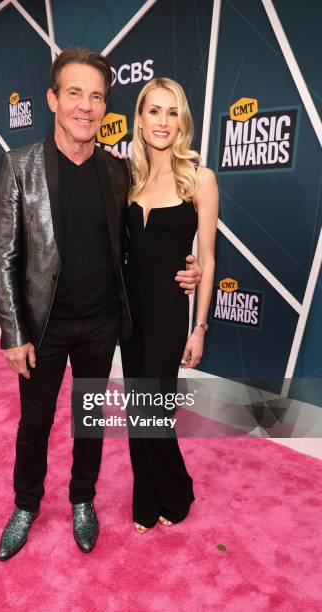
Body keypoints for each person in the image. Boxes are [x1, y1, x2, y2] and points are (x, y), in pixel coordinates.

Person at [0, 48, 202, 559]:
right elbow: (3, 254)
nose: (86, 106)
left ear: (106, 106)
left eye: (97, 96)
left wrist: (187, 263)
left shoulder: (117, 171)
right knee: (35, 422)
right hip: (43, 329)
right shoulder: (21, 166)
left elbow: (143, 238)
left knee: (89, 419)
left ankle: (82, 500)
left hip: (103, 323)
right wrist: (13, 333)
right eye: (75, 93)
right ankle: (25, 505)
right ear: (53, 99)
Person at [119, 78, 218, 533]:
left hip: (167, 312)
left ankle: (176, 491)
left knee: (152, 409)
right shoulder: (128, 177)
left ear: (183, 121)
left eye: (172, 112)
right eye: (154, 111)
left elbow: (209, 256)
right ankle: (148, 496)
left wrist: (199, 326)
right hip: (127, 313)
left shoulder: (199, 178)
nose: (163, 121)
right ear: (139, 119)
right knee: (136, 407)